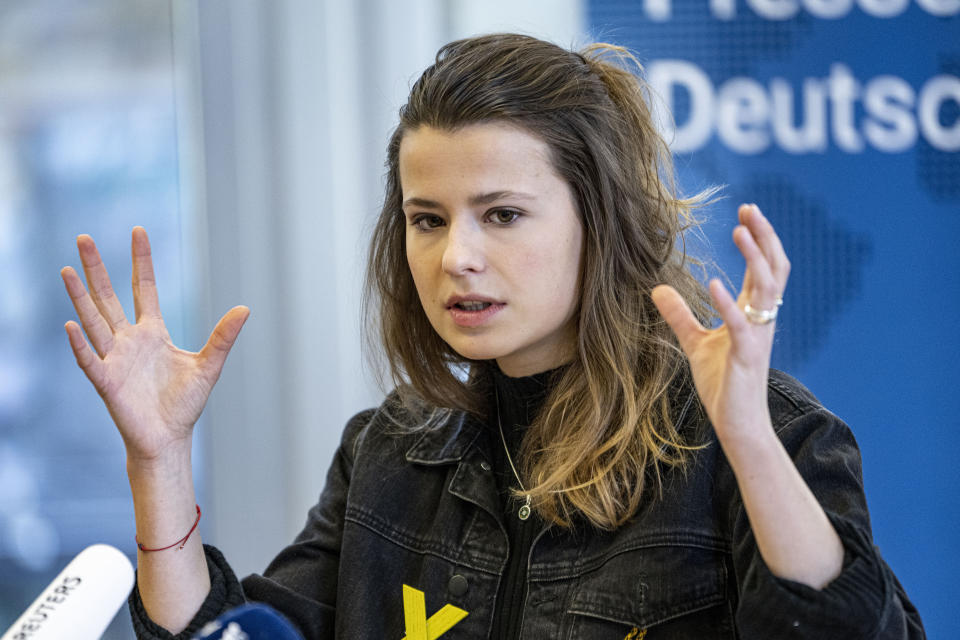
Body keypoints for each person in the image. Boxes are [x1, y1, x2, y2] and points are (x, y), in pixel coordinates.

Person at [60, 34, 924, 639]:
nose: (456, 258)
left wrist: (747, 443)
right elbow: (246, 637)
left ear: (602, 222)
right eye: (426, 220)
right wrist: (160, 462)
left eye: (503, 215)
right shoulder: (389, 449)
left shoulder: (759, 431)